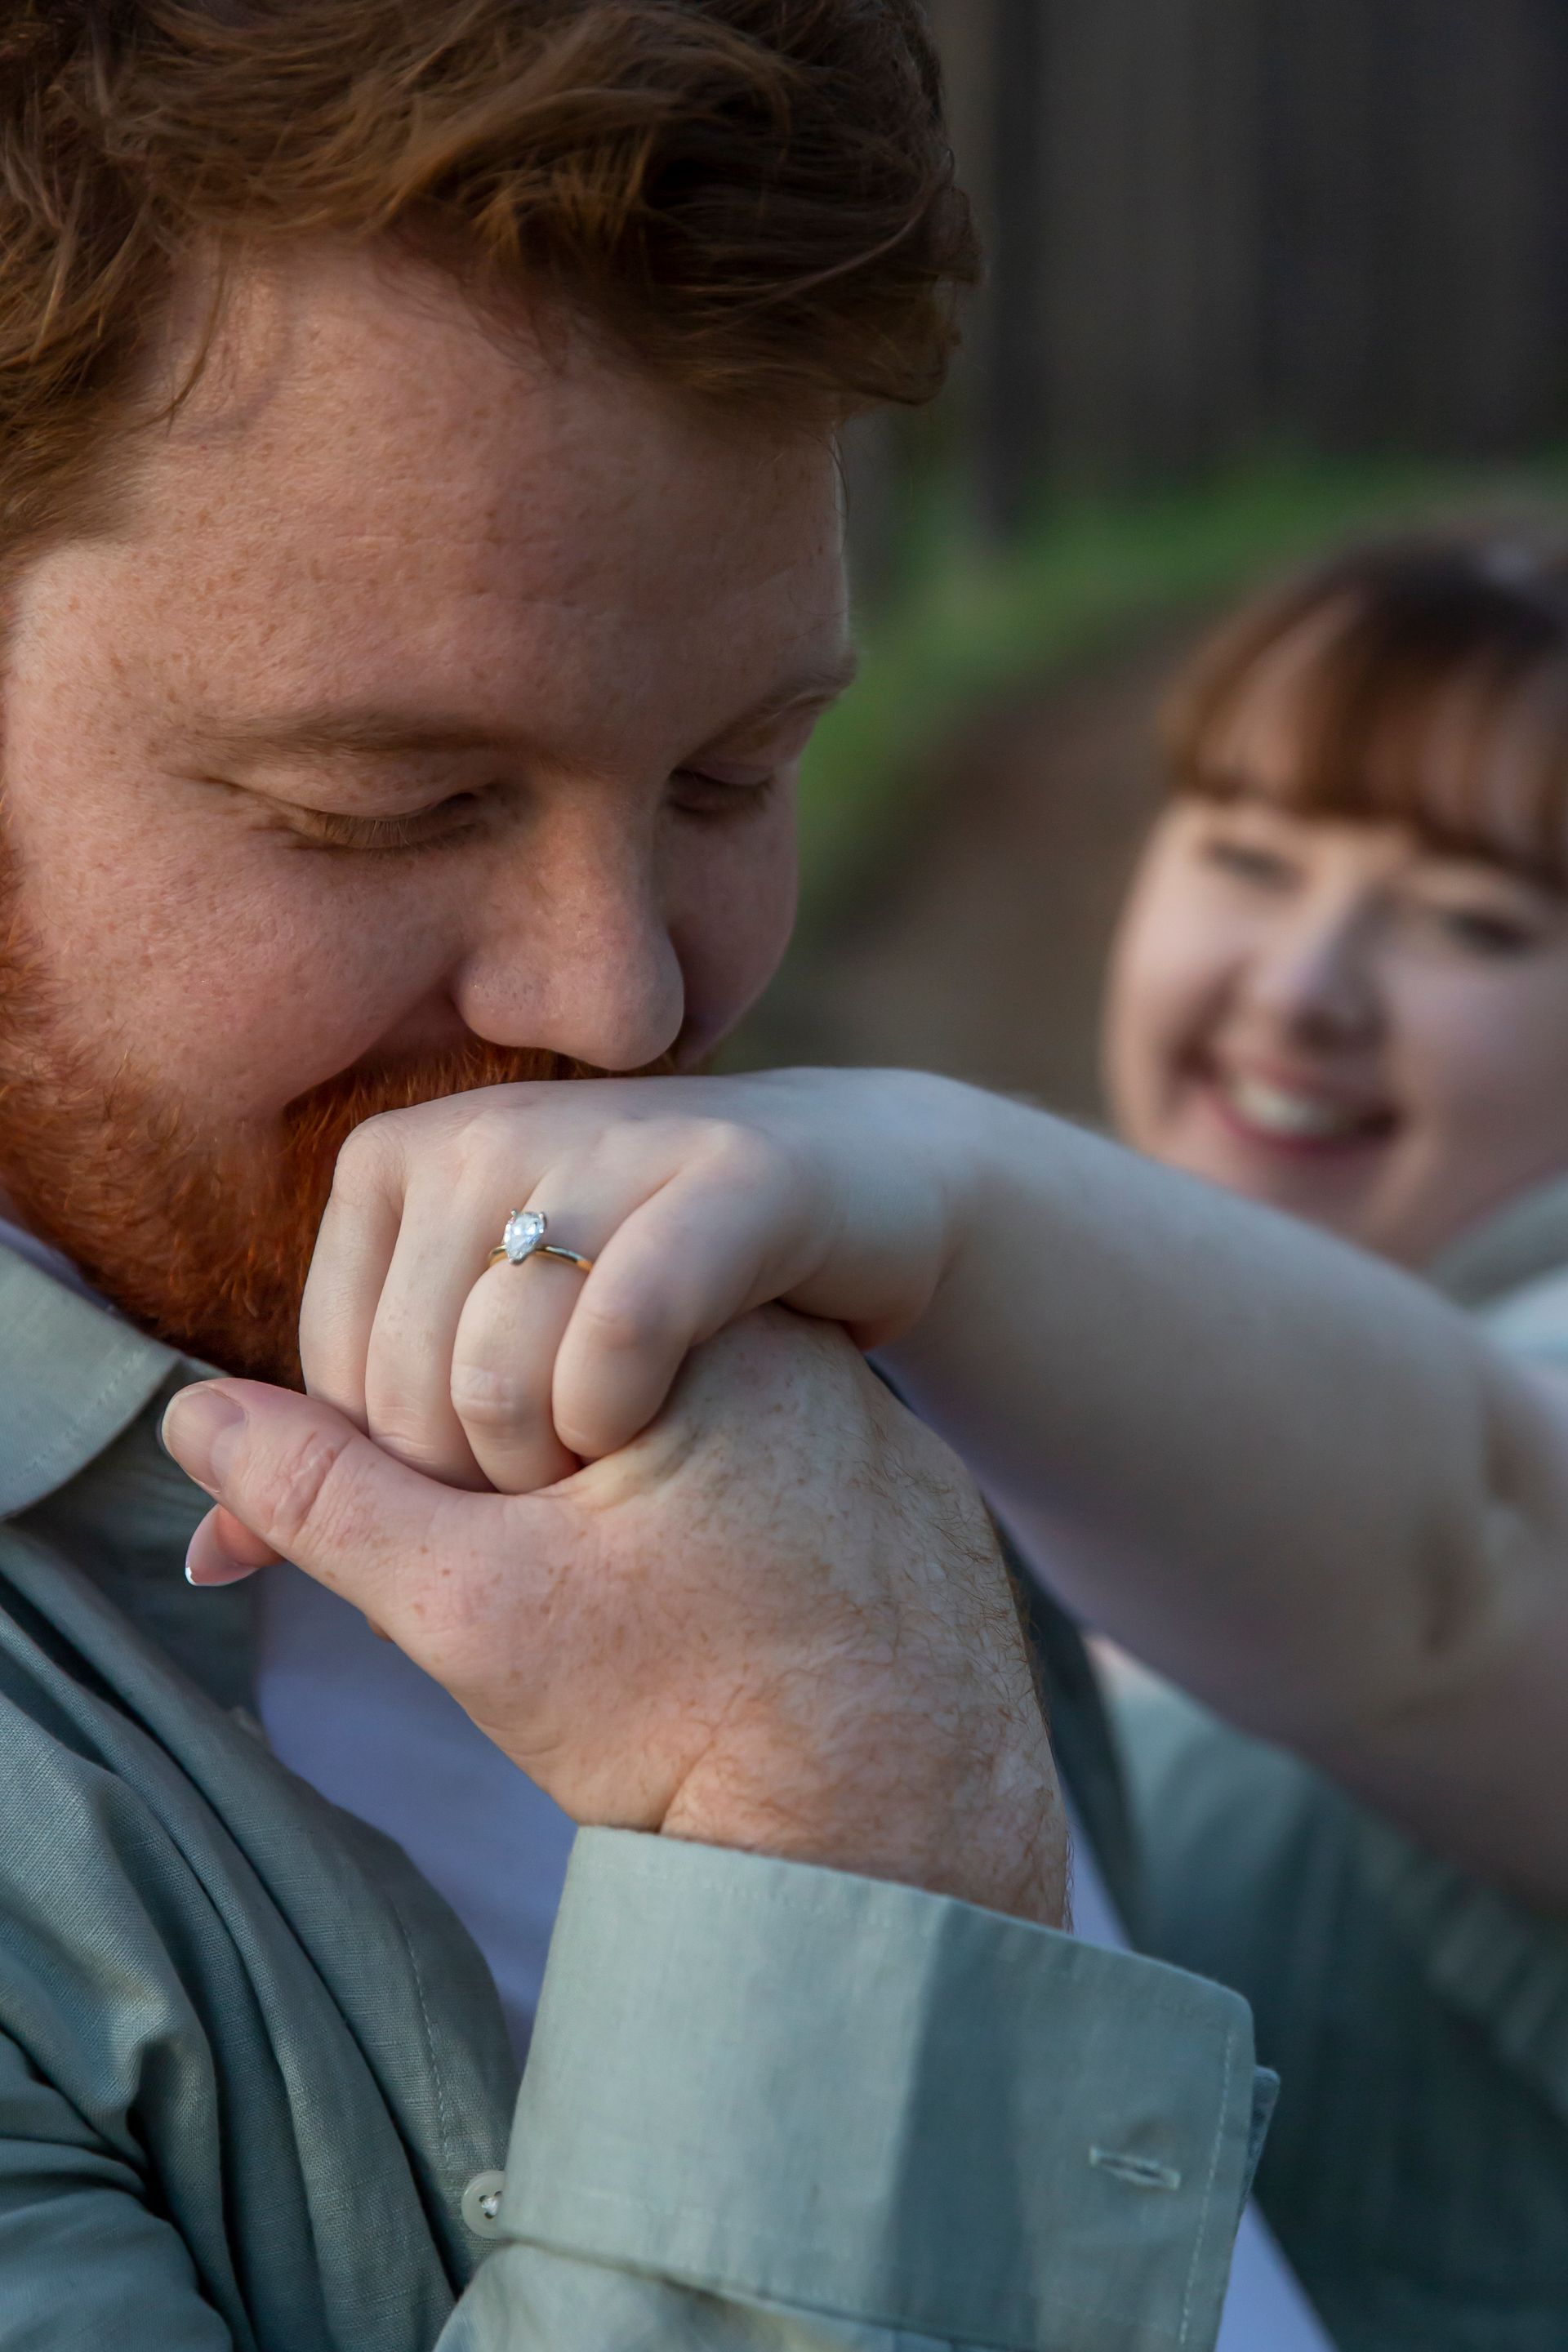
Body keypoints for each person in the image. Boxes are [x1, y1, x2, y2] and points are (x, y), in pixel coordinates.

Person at [0, 6, 1273, 2350]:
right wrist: (847, 1853)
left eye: (733, 775)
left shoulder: (739, 1299)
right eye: (385, 809)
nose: (622, 1005)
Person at [225, 534, 1568, 2351]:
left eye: (1476, 924)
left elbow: (1480, 1551)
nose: (1304, 985)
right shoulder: (1040, 1369)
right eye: (1248, 857)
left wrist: (930, 1173)